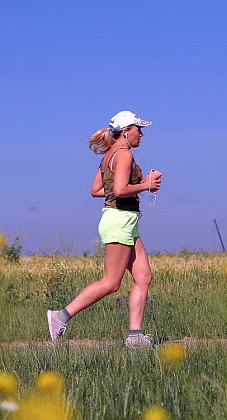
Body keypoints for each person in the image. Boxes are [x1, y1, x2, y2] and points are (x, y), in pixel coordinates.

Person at [47, 110, 162, 347]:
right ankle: (60, 317)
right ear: (126, 131)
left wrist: (140, 186)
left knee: (143, 277)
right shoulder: (124, 155)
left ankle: (135, 337)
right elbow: (119, 190)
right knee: (111, 283)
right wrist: (145, 184)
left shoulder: (109, 155)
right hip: (119, 220)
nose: (141, 134)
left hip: (125, 220)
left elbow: (97, 190)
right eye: (138, 129)